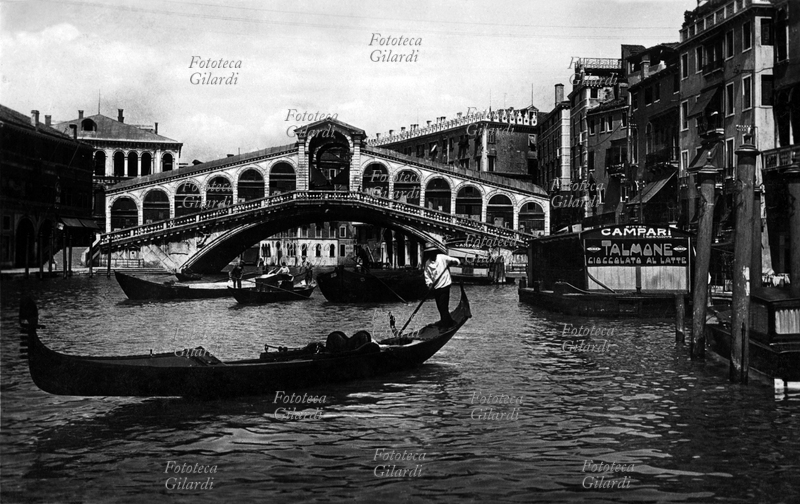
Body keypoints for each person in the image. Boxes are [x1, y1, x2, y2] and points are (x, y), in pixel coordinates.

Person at [422, 244, 460, 328]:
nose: (433, 255)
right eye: (430, 253)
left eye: (433, 253)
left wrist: (454, 262)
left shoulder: (442, 258)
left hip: (445, 285)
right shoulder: (427, 263)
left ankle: (446, 326)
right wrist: (429, 284)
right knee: (440, 307)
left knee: (443, 306)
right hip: (436, 288)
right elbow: (427, 276)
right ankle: (449, 322)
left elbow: (456, 260)